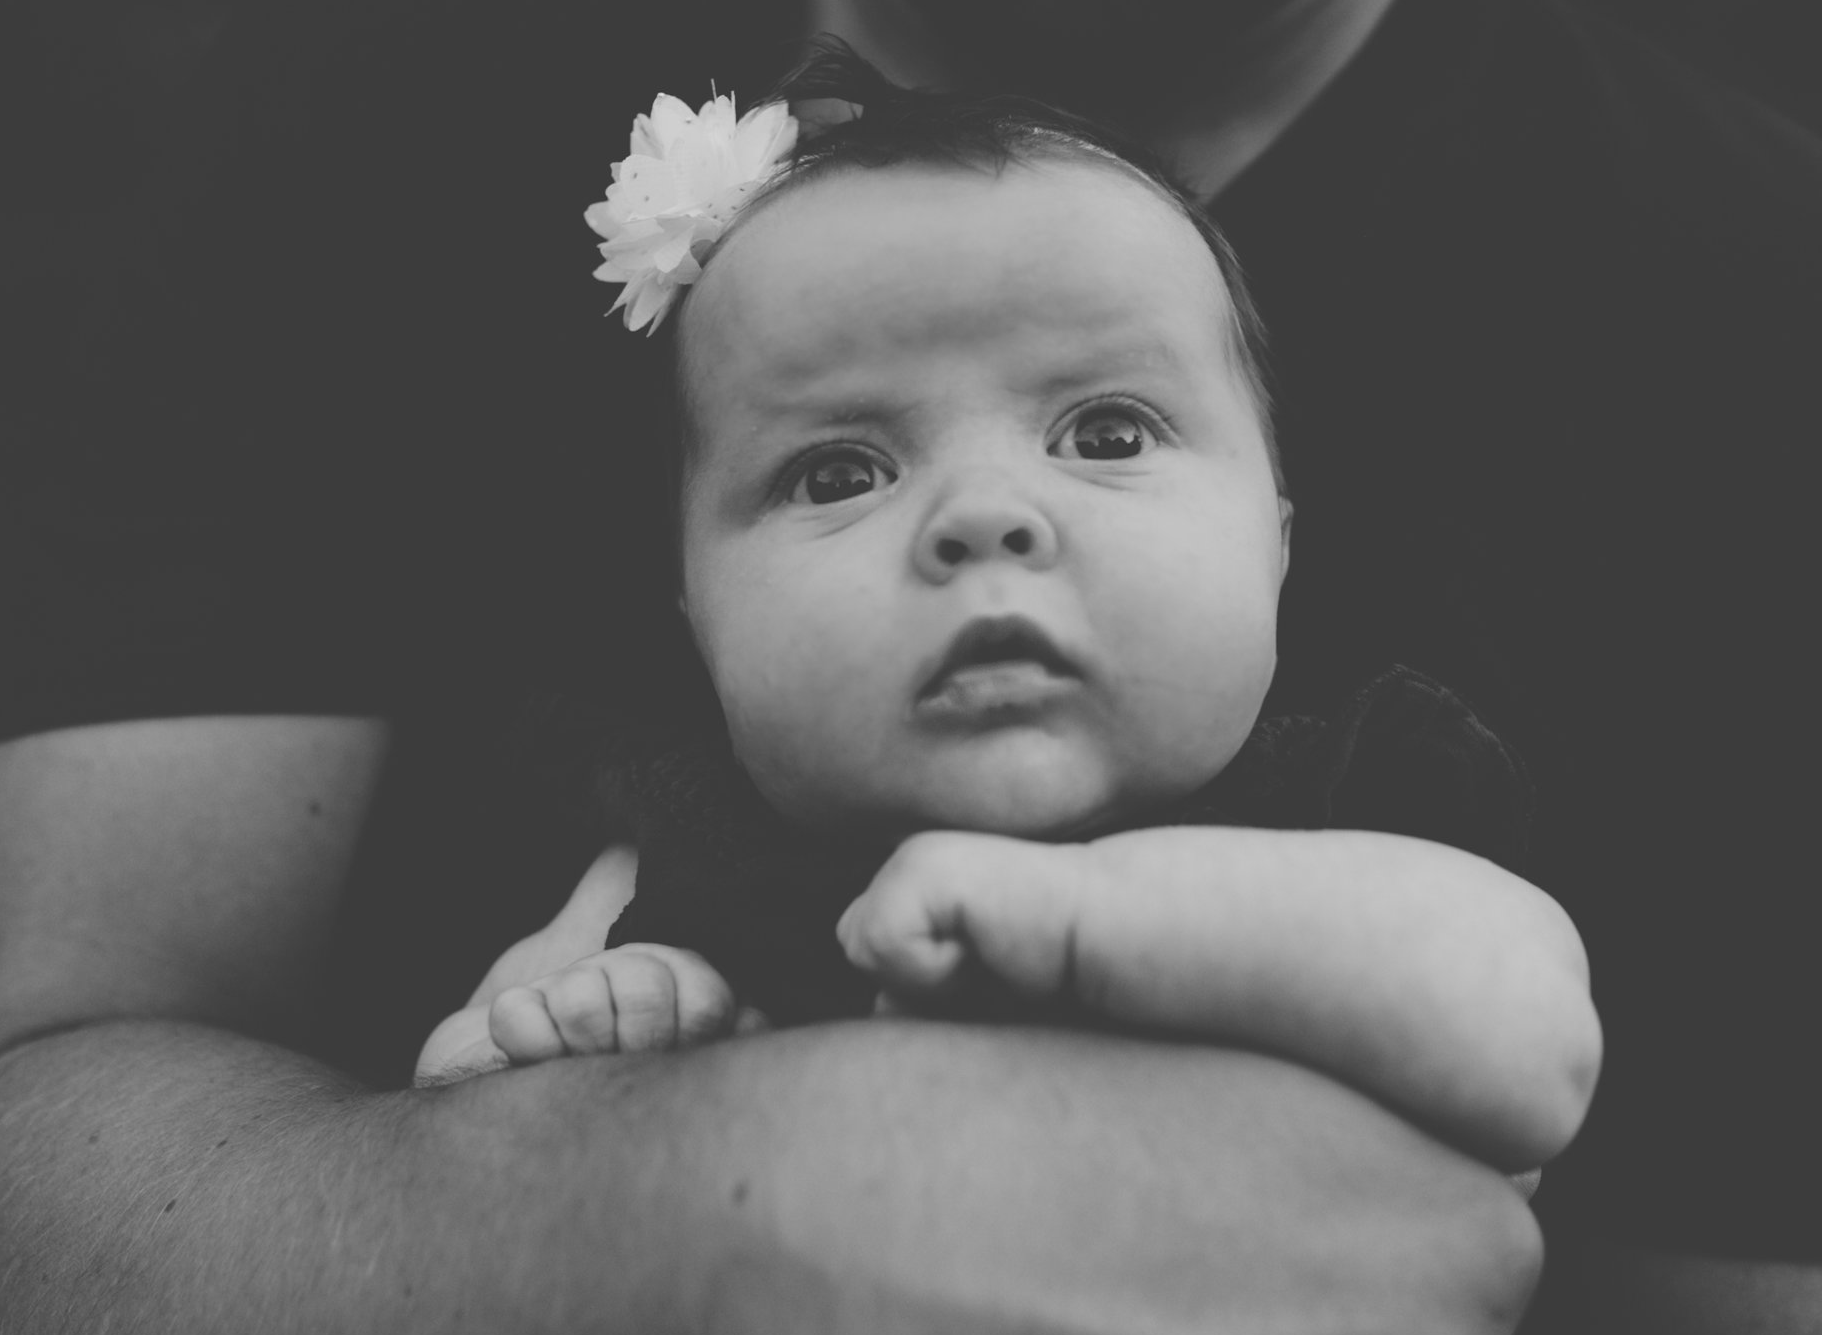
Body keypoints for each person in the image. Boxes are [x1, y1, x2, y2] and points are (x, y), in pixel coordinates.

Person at [0, 0, 1822, 1335]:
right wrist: (678, 1219)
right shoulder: (354, 165)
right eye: (833, 473)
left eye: (1114, 437)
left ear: (1286, 510)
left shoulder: (1821, 347)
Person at [407, 58, 1599, 1192]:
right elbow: (455, 1119)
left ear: (1278, 542)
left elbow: (1532, 1045)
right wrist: (602, 1030)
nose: (981, 518)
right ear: (692, 611)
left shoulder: (1351, 811)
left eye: (1106, 435)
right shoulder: (681, 851)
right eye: (837, 474)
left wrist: (1083, 924)